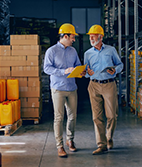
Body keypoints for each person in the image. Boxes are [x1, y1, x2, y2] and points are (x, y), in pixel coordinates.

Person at [44, 23, 85, 157]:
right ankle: (60, 146)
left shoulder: (73, 51)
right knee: (59, 117)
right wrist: (63, 71)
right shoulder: (52, 51)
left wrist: (81, 72)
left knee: (72, 116)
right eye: (72, 37)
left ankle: (70, 140)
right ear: (65, 36)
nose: (74, 40)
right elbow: (47, 69)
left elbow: (78, 65)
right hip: (58, 88)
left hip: (72, 87)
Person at [84, 25, 124, 155]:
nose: (91, 38)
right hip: (93, 85)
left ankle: (109, 137)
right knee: (97, 117)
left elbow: (120, 64)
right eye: (90, 36)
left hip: (109, 84)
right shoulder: (87, 53)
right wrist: (87, 73)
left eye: (94, 35)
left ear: (100, 37)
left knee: (112, 115)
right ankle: (101, 144)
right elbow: (85, 72)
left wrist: (115, 70)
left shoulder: (111, 50)